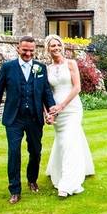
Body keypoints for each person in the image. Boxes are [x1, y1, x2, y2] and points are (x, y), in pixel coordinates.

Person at [0, 36, 56, 204]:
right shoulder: (8, 67)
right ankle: (15, 190)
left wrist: (51, 112)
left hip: (34, 118)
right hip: (14, 118)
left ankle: (32, 180)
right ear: (18, 49)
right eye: (25, 50)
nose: (28, 53)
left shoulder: (40, 68)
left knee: (35, 151)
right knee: (14, 152)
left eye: (31, 51)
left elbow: (46, 91)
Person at [44, 34, 95, 197]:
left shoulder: (71, 63)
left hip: (71, 108)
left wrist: (62, 105)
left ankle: (67, 183)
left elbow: (77, 87)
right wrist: (48, 112)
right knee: (62, 141)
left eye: (58, 45)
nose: (56, 48)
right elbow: (46, 92)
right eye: (53, 46)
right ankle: (60, 171)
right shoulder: (47, 69)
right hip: (55, 110)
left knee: (69, 141)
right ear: (48, 49)